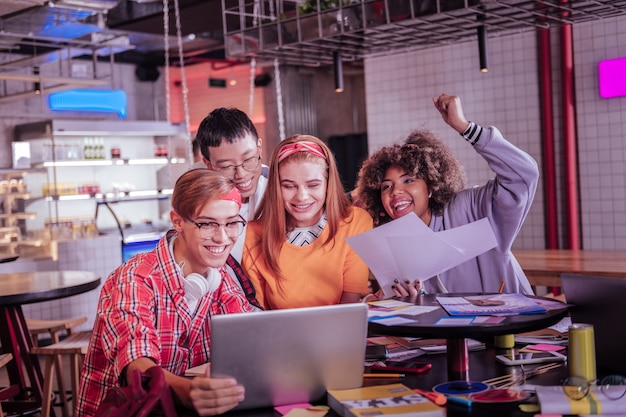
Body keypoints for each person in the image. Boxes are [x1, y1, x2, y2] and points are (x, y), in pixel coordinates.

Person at [75, 169, 253, 417]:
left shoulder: (222, 281)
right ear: (178, 221)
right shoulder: (135, 278)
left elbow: (250, 343)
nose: (223, 237)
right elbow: (136, 365)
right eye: (207, 224)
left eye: (232, 223)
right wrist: (189, 392)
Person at [356, 94, 538, 294]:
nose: (396, 191)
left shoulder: (470, 209)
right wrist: (404, 301)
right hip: (448, 326)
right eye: (386, 186)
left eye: (409, 180)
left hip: (512, 321)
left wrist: (466, 128)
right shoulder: (392, 248)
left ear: (431, 186)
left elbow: (523, 175)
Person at [242, 135, 373, 309]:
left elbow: (349, 305)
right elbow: (259, 314)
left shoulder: (355, 222)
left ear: (328, 183)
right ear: (276, 187)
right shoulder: (253, 235)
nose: (302, 197)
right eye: (289, 186)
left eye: (313, 185)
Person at [196, 107, 266, 309]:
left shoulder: (281, 193)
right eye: (226, 166)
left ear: (259, 148)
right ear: (208, 164)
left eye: (249, 160)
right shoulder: (200, 212)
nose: (241, 174)